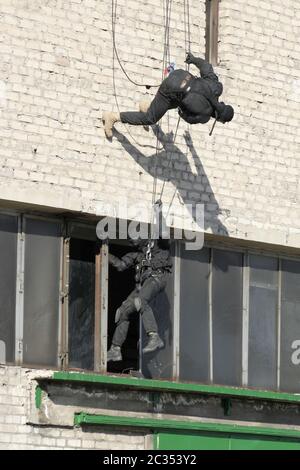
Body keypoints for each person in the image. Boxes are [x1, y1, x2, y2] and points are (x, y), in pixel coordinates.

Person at [103, 52, 234, 138]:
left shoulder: (216, 87)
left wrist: (193, 59)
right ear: (218, 119)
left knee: (177, 101)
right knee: (151, 119)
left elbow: (205, 66)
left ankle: (148, 107)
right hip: (172, 89)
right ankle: (113, 117)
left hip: (179, 74)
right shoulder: (204, 116)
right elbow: (184, 116)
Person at [107, 238, 172, 362]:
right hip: (142, 285)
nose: (132, 242)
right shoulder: (136, 255)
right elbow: (120, 265)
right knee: (123, 311)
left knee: (141, 300)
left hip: (156, 278)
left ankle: (154, 337)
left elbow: (165, 234)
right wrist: (105, 254)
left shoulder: (158, 247)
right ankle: (115, 350)